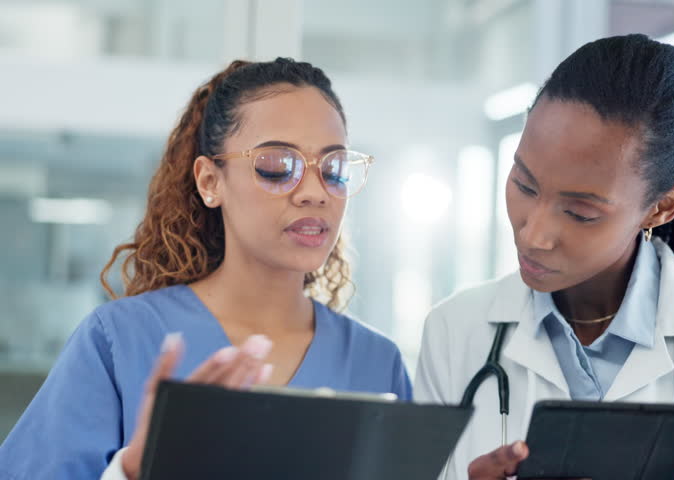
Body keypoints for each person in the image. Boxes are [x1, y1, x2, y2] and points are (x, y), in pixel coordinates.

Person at [414, 34, 674, 480]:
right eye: (524, 185)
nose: (534, 235)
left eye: (580, 212)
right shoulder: (456, 332)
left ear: (661, 207)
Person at [0, 58, 411, 480]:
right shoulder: (120, 340)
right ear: (210, 182)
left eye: (333, 169)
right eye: (277, 165)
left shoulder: (377, 363)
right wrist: (133, 471)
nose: (314, 193)